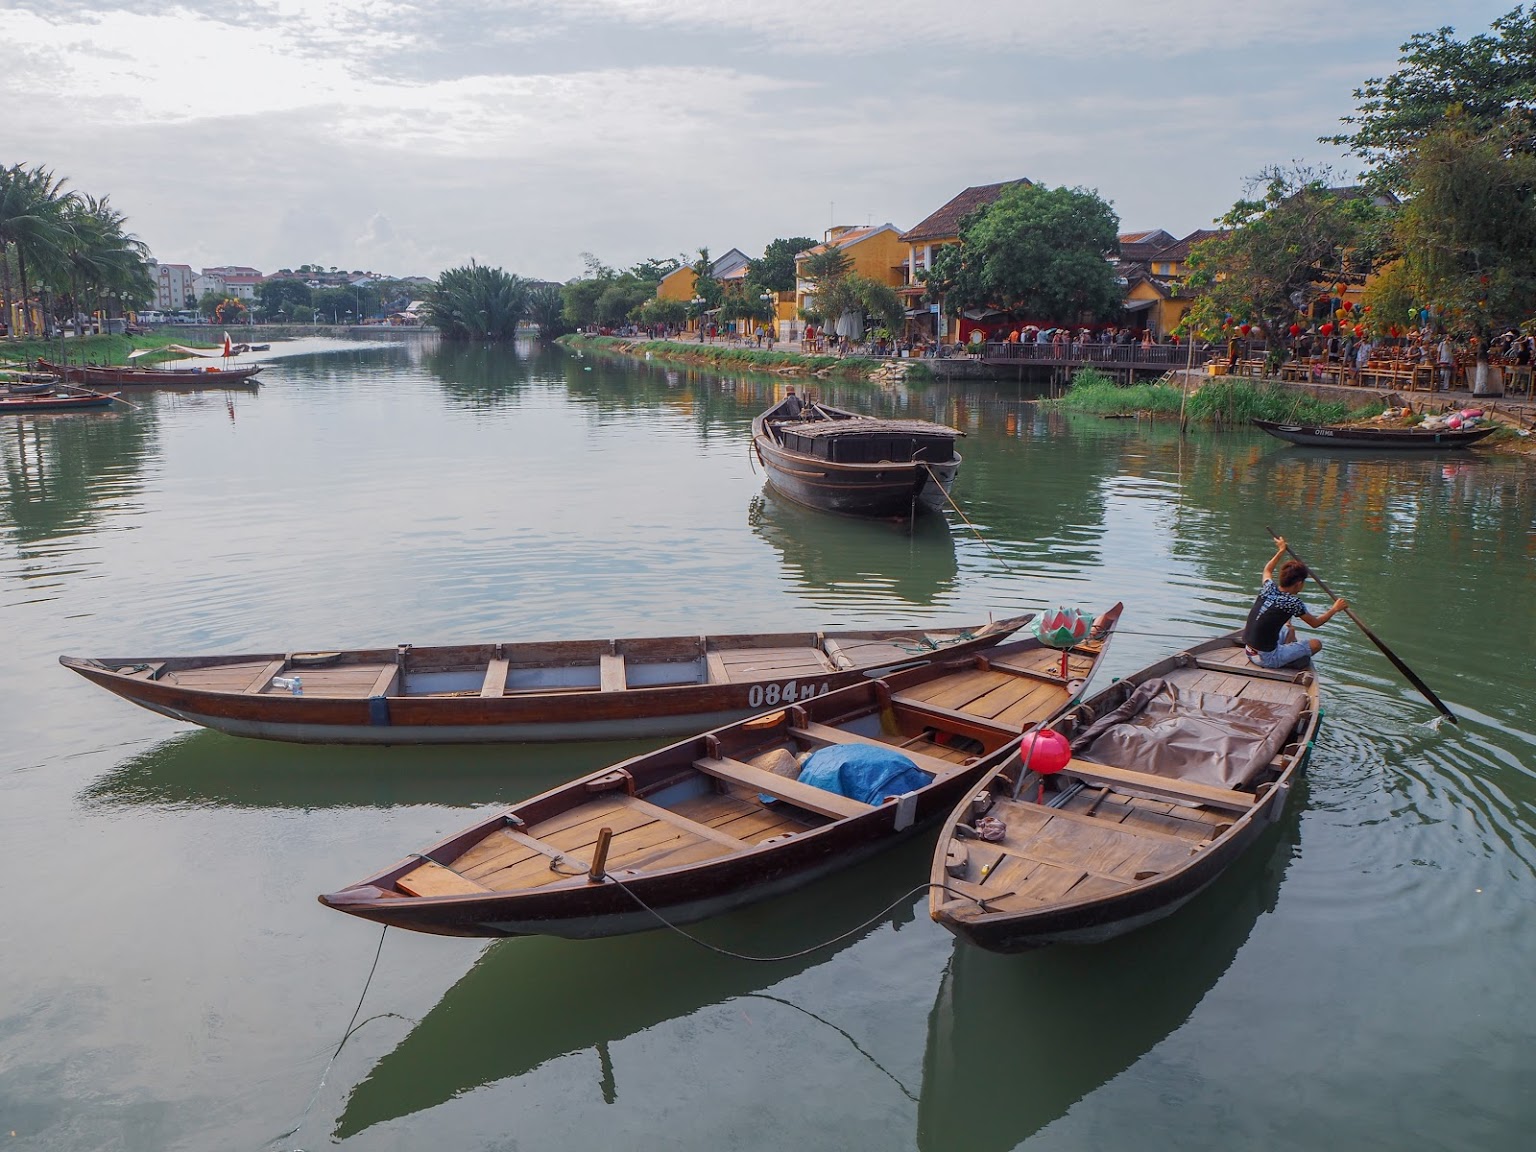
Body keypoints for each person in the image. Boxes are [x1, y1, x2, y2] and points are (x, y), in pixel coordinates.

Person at [1243, 537, 1348, 669]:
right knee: (1316, 644)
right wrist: (1334, 609)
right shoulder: (1293, 602)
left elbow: (1267, 570)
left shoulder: (1268, 588)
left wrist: (1281, 551)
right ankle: (1288, 661)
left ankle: (1286, 651)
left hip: (1248, 651)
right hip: (1266, 659)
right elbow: (1315, 623)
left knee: (1288, 629)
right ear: (1299, 584)